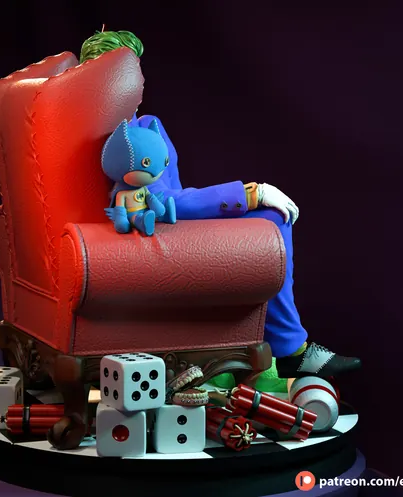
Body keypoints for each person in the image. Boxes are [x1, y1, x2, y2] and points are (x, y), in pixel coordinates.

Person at [80, 30, 361, 379]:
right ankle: (291, 349)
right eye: (127, 74)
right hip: (157, 234)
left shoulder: (129, 125)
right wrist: (250, 193)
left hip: (163, 224)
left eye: (137, 72)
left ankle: (289, 346)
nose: (139, 83)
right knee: (272, 220)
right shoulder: (129, 134)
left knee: (271, 218)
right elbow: (163, 200)